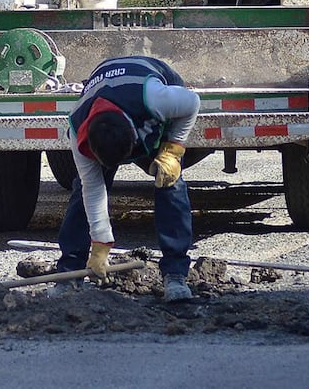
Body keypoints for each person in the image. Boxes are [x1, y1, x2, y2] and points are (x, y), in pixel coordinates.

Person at [55, 55, 201, 302]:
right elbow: (94, 190)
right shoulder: (77, 129)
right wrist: (101, 245)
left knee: (170, 182)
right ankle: (70, 274)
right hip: (111, 99)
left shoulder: (156, 99)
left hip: (151, 82)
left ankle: (175, 274)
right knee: (82, 189)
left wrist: (173, 149)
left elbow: (192, 103)